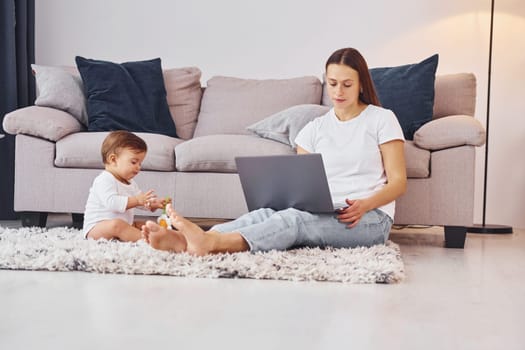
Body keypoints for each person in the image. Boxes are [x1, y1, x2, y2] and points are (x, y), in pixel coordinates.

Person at [141, 47, 407, 255]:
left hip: (369, 219)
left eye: (347, 84)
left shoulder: (381, 119)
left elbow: (398, 182)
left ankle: (212, 243)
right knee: (266, 215)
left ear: (361, 84)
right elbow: (306, 188)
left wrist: (366, 204)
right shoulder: (314, 129)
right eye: (333, 83)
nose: (338, 91)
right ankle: (184, 239)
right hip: (324, 210)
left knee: (293, 222)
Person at [83, 130, 169, 242]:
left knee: (142, 225)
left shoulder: (131, 183)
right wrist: (137, 200)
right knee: (117, 225)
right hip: (96, 229)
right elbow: (112, 203)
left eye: (140, 163)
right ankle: (151, 241)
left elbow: (141, 201)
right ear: (113, 159)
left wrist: (153, 204)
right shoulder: (104, 179)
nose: (138, 167)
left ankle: (165, 236)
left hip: (120, 226)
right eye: (134, 162)